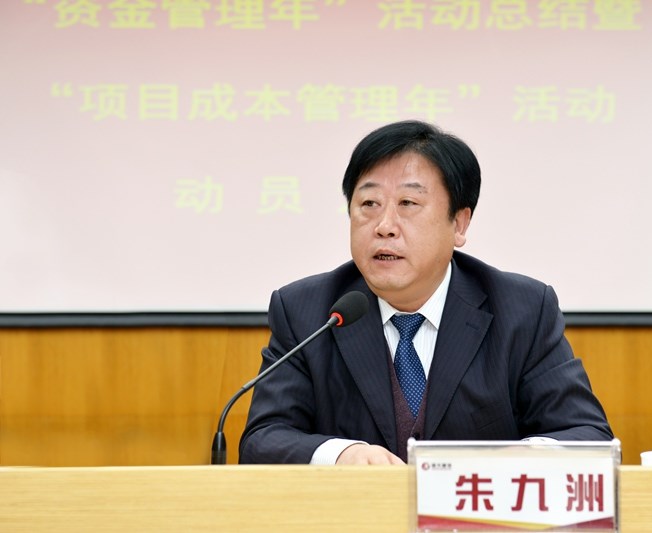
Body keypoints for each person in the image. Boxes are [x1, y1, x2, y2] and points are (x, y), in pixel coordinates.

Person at [239, 120, 612, 465]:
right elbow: (263, 439)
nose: (385, 226)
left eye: (408, 204)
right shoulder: (307, 312)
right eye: (369, 204)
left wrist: (506, 461)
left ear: (459, 224)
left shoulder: (522, 310)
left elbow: (587, 435)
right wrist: (341, 455)